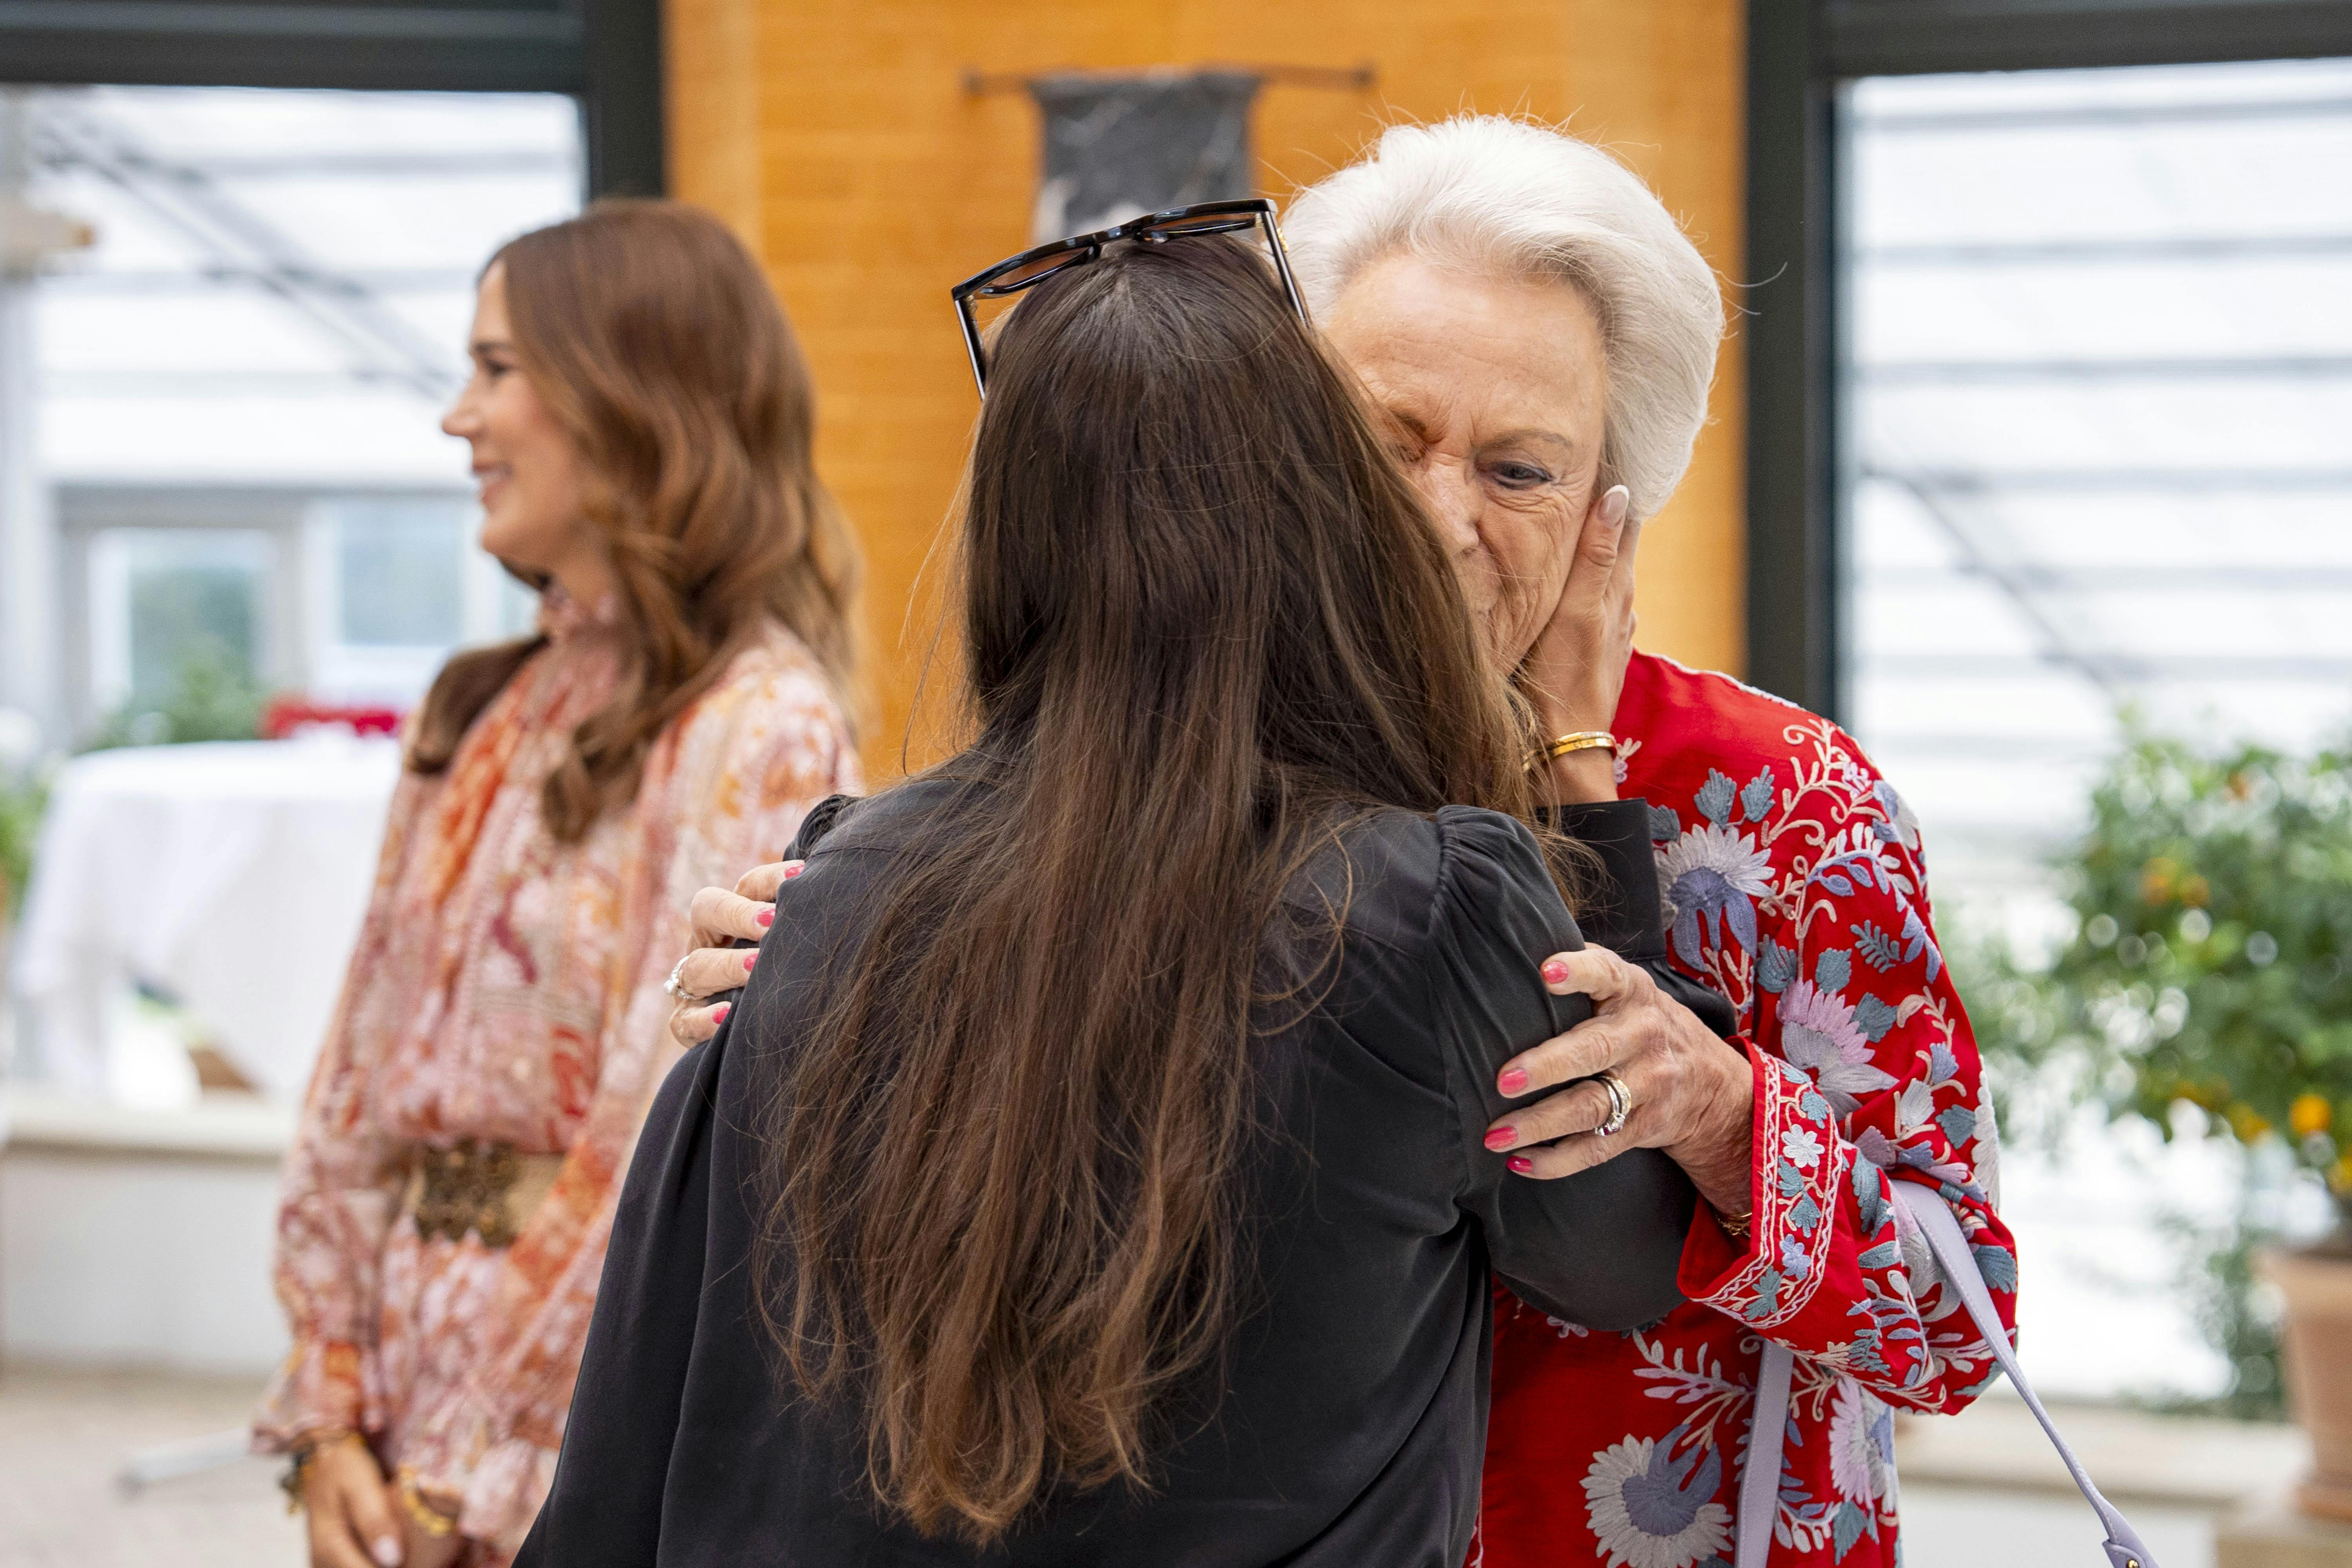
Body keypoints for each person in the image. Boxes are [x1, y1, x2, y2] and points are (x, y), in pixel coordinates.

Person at [670, 118, 2018, 1568]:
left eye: (1521, 473)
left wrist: (1719, 1117)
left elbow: (1959, 1326)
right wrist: (813, 1001)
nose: (1439, 523)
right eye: (1390, 444)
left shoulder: (1779, 803)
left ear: (1611, 511)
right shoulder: (1170, 787)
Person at [519, 230, 1716, 1568]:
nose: (1445, 518)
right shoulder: (1430, 913)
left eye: (1514, 467)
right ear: (1328, 521)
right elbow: (1628, 1258)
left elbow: (626, 1450)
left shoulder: (814, 897)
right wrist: (1578, 774)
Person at [253, 200, 862, 1568]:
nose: (457, 420)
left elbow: (660, 1143)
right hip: (400, 1412)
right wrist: (331, 1416)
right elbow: (353, 1080)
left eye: (497, 369)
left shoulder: (759, 725)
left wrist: (461, 1477)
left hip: (569, 1438)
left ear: (631, 392)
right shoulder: (478, 707)